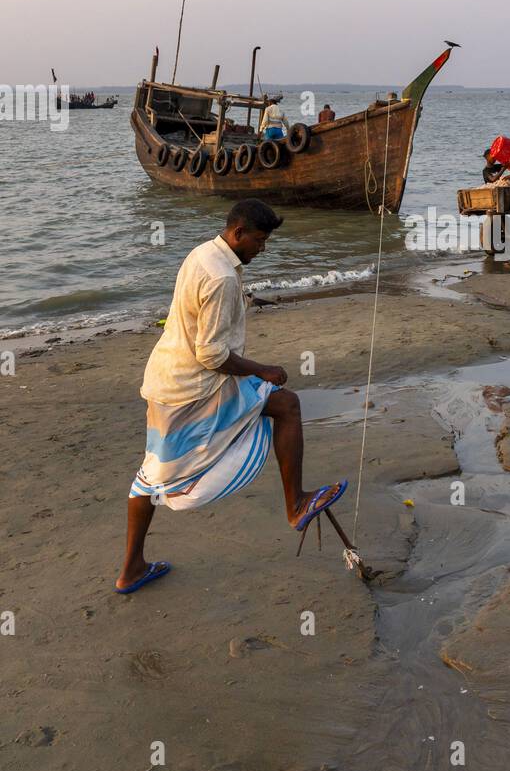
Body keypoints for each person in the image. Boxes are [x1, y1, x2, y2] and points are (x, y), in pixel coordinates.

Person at [117, 199, 346, 594]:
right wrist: (261, 370)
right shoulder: (222, 276)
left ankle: (132, 568)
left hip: (169, 378)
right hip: (191, 389)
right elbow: (211, 354)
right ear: (238, 233)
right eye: (259, 240)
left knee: (152, 475)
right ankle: (295, 506)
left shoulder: (204, 253)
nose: (263, 248)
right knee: (155, 477)